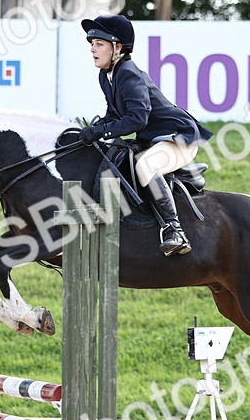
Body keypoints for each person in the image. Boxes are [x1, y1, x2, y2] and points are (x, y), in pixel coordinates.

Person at [79, 14, 213, 256]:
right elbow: (115, 112)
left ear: (117, 47)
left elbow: (137, 118)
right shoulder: (107, 75)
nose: (92, 49)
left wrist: (103, 131)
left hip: (177, 137)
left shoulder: (128, 72)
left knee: (145, 166)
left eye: (99, 43)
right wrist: (94, 129)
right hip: (154, 139)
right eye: (91, 44)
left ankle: (175, 230)